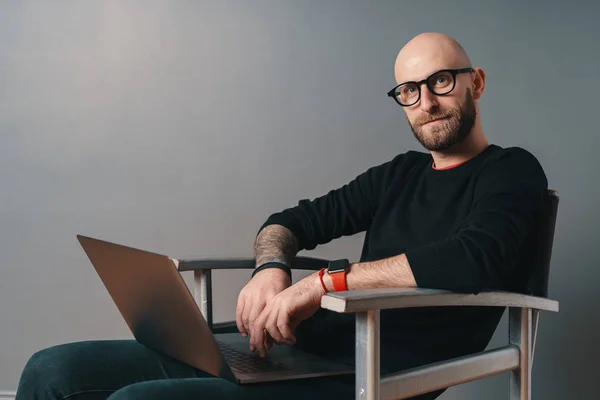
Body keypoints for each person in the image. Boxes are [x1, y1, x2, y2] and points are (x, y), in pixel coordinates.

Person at [15, 32, 547, 400]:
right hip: (299, 351)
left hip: (367, 374)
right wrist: (270, 268)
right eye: (409, 91)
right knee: (50, 369)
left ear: (475, 81)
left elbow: (472, 259)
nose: (426, 101)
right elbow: (288, 221)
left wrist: (324, 282)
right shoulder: (399, 173)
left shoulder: (511, 171)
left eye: (441, 82)